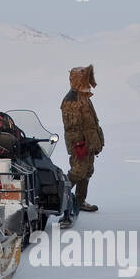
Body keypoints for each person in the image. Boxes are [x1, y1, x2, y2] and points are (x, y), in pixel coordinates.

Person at [61, 65, 104, 212]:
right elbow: (72, 127)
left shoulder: (84, 97)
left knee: (87, 171)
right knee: (78, 171)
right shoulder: (71, 101)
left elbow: (91, 121)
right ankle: (60, 197)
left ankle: (79, 201)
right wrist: (79, 144)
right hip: (80, 144)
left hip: (89, 142)